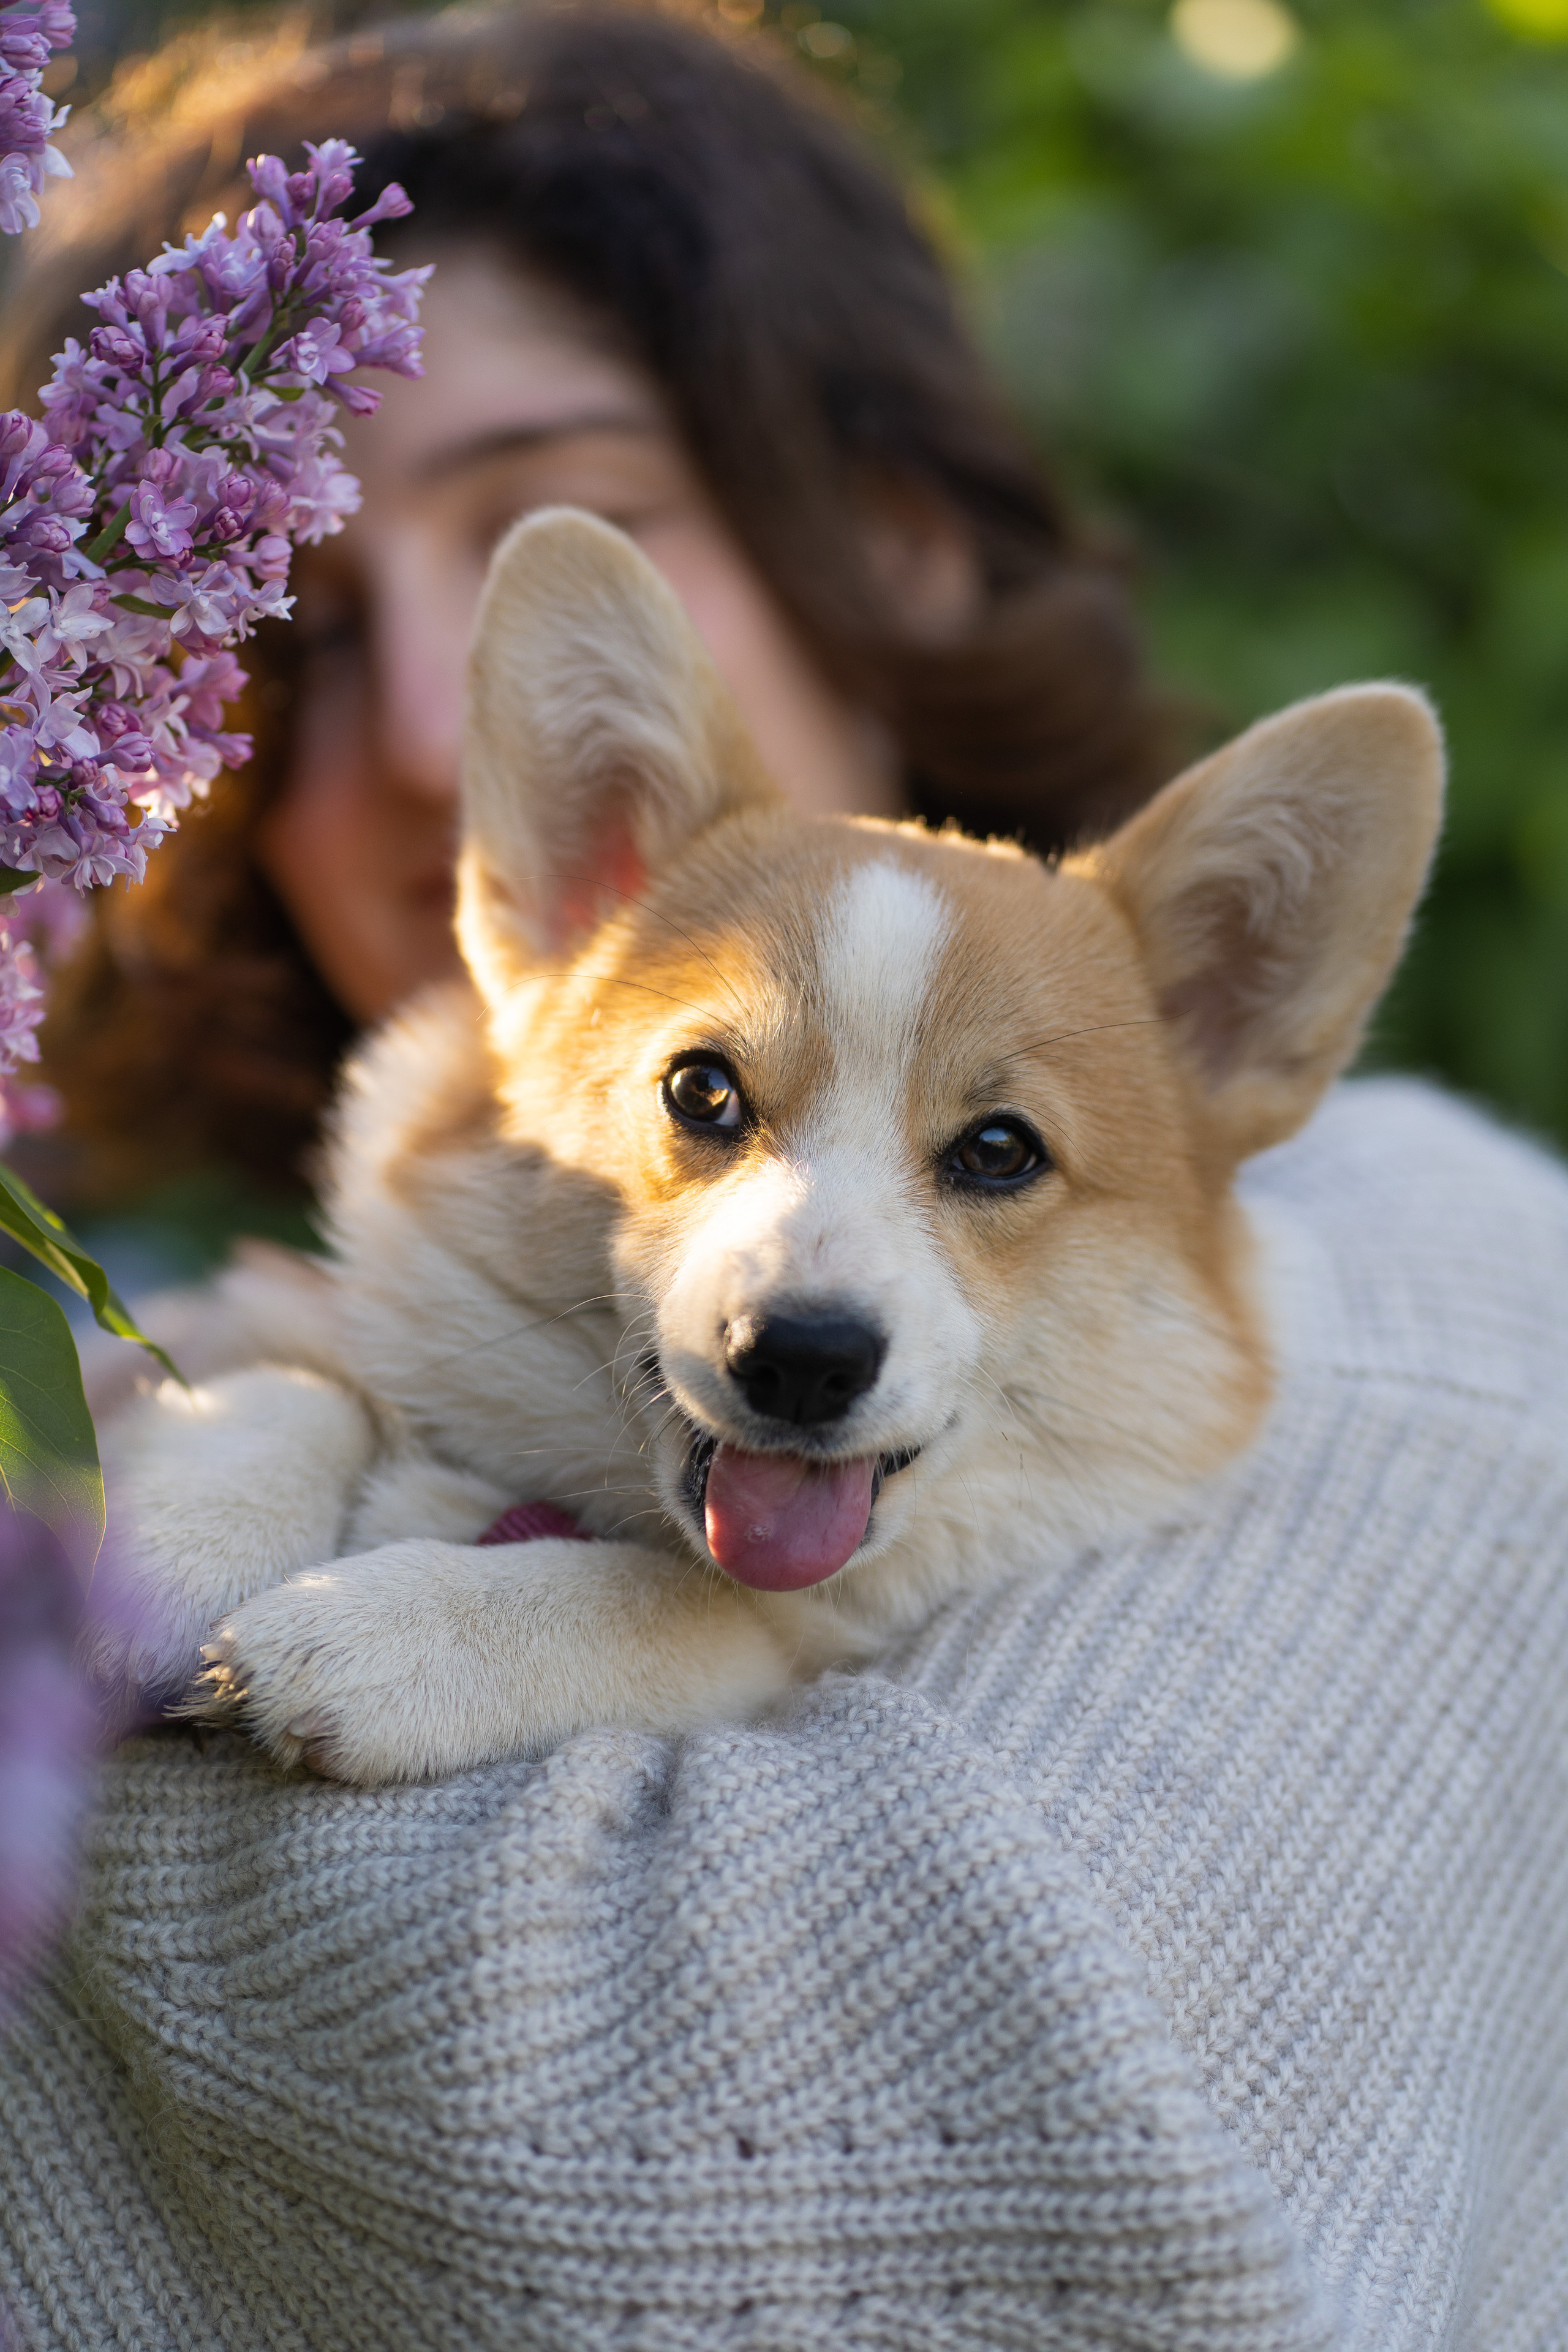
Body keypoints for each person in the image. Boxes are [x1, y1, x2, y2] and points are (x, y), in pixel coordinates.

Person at [4, 10, 1568, 2350]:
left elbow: (764, 2179)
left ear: (894, 517)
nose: (433, 719)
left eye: (997, 1157)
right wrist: (272, 1427)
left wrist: (103, 1704)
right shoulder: (149, 1298)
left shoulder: (1443, 1306)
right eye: (301, 618)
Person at [2, 0, 1166, 1236]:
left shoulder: (1344, 1315)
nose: (425, 739)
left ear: (894, 543)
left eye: (555, 541)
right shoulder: (124, 1395)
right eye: (306, 638)